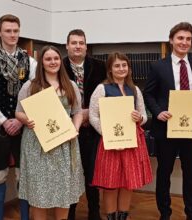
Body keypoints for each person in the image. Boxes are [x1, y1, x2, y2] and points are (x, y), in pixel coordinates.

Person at [143, 22, 192, 220]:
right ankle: (165, 212)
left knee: (191, 173)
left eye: (188, 39)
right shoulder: (158, 66)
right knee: (164, 172)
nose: (184, 42)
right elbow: (149, 94)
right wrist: (157, 112)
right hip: (166, 128)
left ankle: (191, 212)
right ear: (171, 40)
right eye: (180, 38)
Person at [15, 45, 85, 220]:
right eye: (48, 59)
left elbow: (77, 112)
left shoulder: (71, 86)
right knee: (39, 193)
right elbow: (18, 112)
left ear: (60, 61)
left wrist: (75, 128)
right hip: (37, 145)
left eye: (56, 58)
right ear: (42, 63)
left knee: (64, 193)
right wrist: (26, 120)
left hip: (64, 144)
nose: (53, 62)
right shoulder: (30, 86)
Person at [0, 14, 36, 220]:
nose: (12, 35)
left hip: (26, 125)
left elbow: (33, 95)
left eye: (15, 31)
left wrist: (20, 119)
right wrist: (4, 120)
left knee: (24, 175)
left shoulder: (30, 61)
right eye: (8, 31)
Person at [89, 52, 153, 220]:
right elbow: (93, 116)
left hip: (132, 143)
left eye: (124, 65)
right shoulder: (102, 89)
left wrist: (140, 118)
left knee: (127, 183)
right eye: (117, 65)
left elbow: (144, 115)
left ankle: (123, 217)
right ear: (110, 69)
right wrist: (107, 134)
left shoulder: (135, 89)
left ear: (129, 68)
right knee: (111, 184)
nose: (121, 68)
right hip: (111, 144)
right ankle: (111, 217)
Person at [63, 29, 106, 220]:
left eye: (81, 43)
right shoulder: (58, 66)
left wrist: (90, 113)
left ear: (86, 46)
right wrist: (77, 116)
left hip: (93, 128)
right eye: (74, 43)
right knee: (71, 173)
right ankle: (70, 212)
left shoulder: (100, 66)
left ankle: (94, 212)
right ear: (67, 46)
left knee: (92, 173)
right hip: (67, 129)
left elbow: (108, 93)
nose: (78, 46)